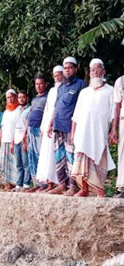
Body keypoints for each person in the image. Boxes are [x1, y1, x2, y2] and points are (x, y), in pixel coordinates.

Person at [70, 58, 116, 197]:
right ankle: (84, 189)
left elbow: (114, 113)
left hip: (99, 132)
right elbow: (76, 115)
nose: (95, 72)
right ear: (89, 73)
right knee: (81, 158)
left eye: (98, 69)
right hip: (82, 132)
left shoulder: (110, 90)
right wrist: (73, 133)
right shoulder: (84, 92)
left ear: (103, 71)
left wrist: (113, 130)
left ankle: (100, 190)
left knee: (99, 158)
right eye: (93, 70)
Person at [47, 56, 88, 195]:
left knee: (71, 157)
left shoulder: (81, 85)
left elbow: (83, 107)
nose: (67, 70)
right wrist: (50, 123)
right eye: (65, 68)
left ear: (76, 69)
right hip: (58, 125)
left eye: (70, 67)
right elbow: (56, 107)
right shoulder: (61, 87)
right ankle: (62, 184)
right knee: (59, 156)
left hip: (71, 126)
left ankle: (73, 186)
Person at [36, 66, 64, 192]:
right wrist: (44, 126)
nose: (57, 77)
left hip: (58, 124)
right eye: (55, 75)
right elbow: (47, 109)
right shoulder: (52, 90)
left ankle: (60, 183)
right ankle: (50, 183)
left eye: (59, 74)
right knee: (47, 154)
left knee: (56, 154)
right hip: (48, 125)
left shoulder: (64, 88)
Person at [25, 74, 49, 192]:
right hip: (31, 130)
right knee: (32, 156)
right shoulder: (34, 99)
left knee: (41, 156)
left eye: (41, 83)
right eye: (36, 84)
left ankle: (45, 184)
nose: (38, 86)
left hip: (40, 130)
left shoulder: (48, 97)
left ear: (45, 84)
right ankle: (36, 183)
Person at [0, 89, 20, 190]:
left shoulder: (19, 110)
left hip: (13, 140)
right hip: (4, 141)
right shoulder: (5, 112)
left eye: (11, 97)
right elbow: (2, 128)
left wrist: (13, 141)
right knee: (4, 164)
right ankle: (7, 184)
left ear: (15, 97)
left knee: (14, 163)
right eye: (7, 98)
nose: (10, 99)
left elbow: (18, 127)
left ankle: (14, 183)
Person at [13, 90, 31, 191]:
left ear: (26, 97)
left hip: (24, 139)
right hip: (16, 139)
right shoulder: (17, 110)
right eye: (19, 97)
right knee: (18, 163)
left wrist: (25, 140)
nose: (21, 99)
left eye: (23, 97)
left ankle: (26, 184)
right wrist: (12, 142)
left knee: (25, 163)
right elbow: (15, 126)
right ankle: (18, 184)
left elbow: (28, 125)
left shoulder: (29, 109)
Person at [112, 64, 124, 198]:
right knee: (123, 153)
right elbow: (117, 106)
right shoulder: (120, 81)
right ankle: (123, 187)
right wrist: (114, 128)